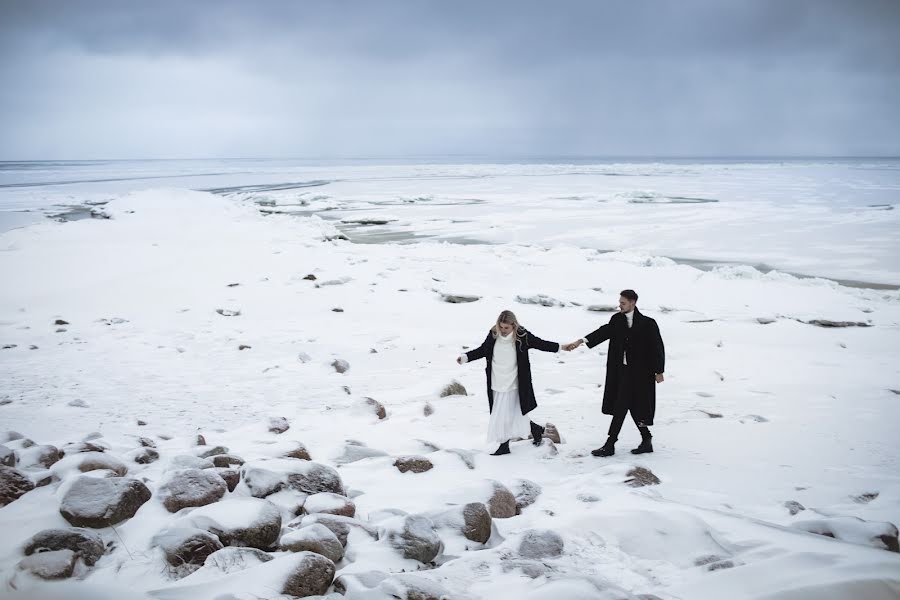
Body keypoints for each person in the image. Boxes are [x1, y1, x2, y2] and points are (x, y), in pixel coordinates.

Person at [564, 289, 665, 457]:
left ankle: (615, 443)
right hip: (622, 372)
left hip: (641, 373)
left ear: (633, 302)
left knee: (629, 406)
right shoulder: (616, 320)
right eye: (620, 302)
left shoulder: (648, 323)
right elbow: (603, 332)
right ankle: (637, 440)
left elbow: (657, 348)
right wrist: (581, 341)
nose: (620, 306)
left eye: (623, 303)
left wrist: (659, 371)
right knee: (624, 404)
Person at [457, 310, 561, 455]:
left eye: (507, 328)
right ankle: (536, 430)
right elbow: (483, 350)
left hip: (514, 382)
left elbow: (540, 343)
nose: (503, 331)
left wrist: (560, 347)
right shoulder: (494, 334)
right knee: (513, 413)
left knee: (503, 415)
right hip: (496, 381)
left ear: (514, 325)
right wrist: (466, 357)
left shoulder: (522, 335)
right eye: (501, 327)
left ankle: (504, 446)